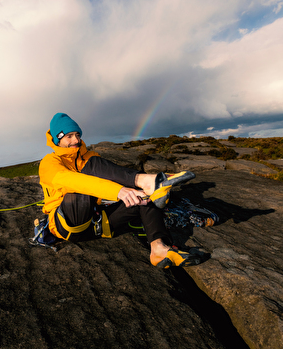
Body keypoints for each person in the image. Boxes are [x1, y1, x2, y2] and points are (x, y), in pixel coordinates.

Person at [39, 113, 206, 268]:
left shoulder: (87, 156)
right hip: (69, 225)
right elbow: (71, 181)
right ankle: (148, 180)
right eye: (69, 136)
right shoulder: (49, 162)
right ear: (57, 139)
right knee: (77, 194)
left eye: (77, 135)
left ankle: (158, 248)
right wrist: (118, 191)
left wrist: (130, 190)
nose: (75, 140)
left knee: (145, 196)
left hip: (98, 224)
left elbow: (111, 174)